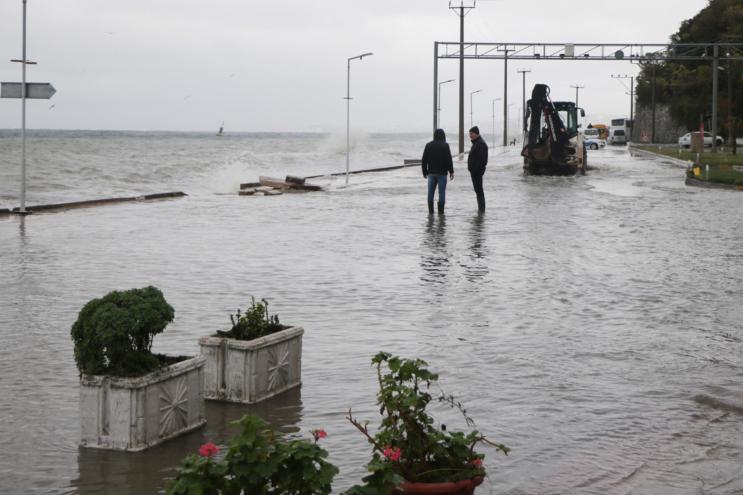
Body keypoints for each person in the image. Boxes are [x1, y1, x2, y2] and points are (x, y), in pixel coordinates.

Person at [421, 128, 454, 214]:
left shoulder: (428, 145)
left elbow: (424, 160)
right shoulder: (445, 145)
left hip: (431, 173)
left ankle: (431, 212)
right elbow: (449, 160)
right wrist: (451, 171)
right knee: (441, 193)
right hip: (442, 174)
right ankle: (441, 213)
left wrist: (424, 172)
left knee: (430, 193)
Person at [467, 126, 488, 212]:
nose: (470, 136)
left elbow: (482, 160)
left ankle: (481, 210)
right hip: (475, 172)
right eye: (470, 134)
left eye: (471, 134)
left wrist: (475, 171)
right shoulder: (477, 143)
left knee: (479, 191)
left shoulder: (480, 144)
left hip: (477, 172)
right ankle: (480, 210)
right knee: (478, 191)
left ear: (476, 134)